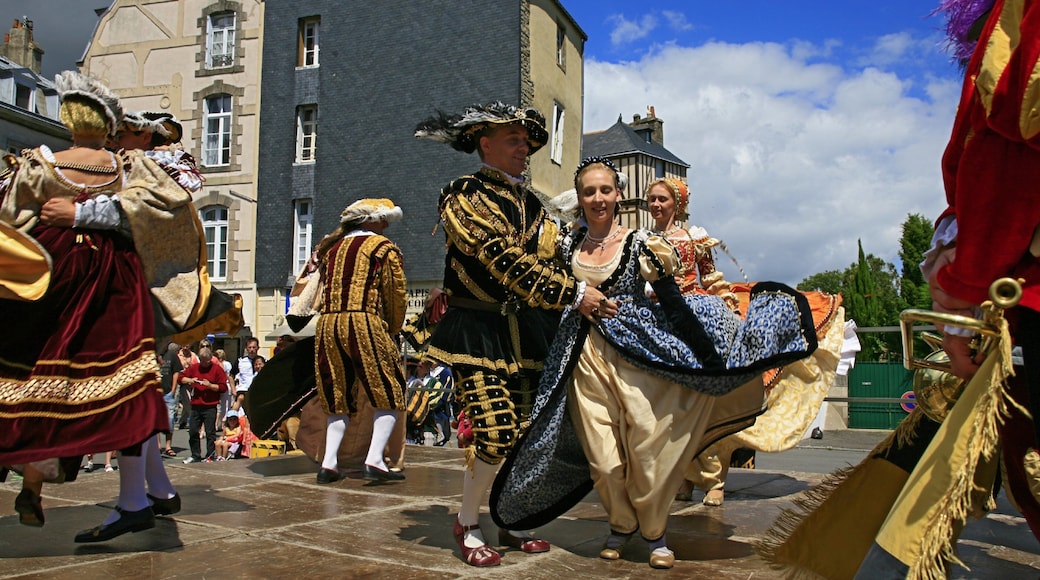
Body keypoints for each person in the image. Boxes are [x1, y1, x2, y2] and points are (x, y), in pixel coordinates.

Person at [489, 157, 818, 569]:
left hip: (637, 356)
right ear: (581, 198)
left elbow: (674, 304)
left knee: (647, 448)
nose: (598, 198)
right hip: (581, 358)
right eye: (589, 192)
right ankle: (621, 524)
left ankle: (654, 533)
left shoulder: (643, 243)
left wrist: (710, 360)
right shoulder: (566, 246)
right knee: (604, 462)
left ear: (618, 195)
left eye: (605, 190)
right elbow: (544, 296)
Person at [415, 102, 616, 567]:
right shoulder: (462, 195)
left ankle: (508, 515)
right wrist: (574, 293)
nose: (525, 148)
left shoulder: (534, 206)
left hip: (527, 334)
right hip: (478, 331)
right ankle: (467, 522)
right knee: (495, 430)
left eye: (527, 141)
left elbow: (561, 256)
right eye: (514, 140)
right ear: (485, 144)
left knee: (524, 435)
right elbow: (501, 259)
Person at [0, 71, 186, 541]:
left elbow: (11, 219)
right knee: (122, 383)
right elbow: (163, 209)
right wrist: (100, 213)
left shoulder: (41, 164)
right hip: (114, 274)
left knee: (36, 372)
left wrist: (72, 214)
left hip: (53, 270)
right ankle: (132, 498)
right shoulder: (127, 168)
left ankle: (41, 480)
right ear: (110, 124)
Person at [645, 177, 854, 508]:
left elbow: (711, 279)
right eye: (652, 199)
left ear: (677, 204)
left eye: (662, 199)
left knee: (710, 400)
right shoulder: (643, 240)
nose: (656, 205)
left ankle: (714, 479)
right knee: (673, 408)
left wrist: (727, 306)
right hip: (660, 322)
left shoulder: (694, 238)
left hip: (697, 318)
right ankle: (685, 475)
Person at [312, 198, 408, 484]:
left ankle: (329, 463)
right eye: (382, 220)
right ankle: (375, 459)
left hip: (328, 324)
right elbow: (395, 294)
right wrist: (392, 328)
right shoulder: (383, 248)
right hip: (363, 321)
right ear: (368, 220)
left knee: (337, 394)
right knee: (390, 389)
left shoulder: (332, 249)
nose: (386, 226)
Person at [179, 347, 229, 463]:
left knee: (210, 433)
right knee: (193, 431)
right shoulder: (195, 367)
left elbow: (223, 387)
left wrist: (210, 385)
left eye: (206, 361)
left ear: (210, 359)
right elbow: (181, 378)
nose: (203, 363)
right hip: (196, 405)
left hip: (210, 405)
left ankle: (210, 455)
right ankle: (195, 455)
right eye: (201, 360)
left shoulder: (217, 369)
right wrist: (191, 380)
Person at [158, 342, 183, 457]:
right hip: (156, 393)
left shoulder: (172, 355)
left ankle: (168, 446)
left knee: (170, 419)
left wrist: (173, 389)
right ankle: (158, 446)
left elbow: (176, 372)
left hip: (168, 392)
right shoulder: (153, 355)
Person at [234, 337, 260, 412]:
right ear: (246, 348)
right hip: (243, 389)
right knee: (240, 399)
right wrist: (233, 390)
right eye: (250, 347)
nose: (252, 349)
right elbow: (231, 376)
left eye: (254, 347)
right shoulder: (240, 361)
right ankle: (231, 417)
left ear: (258, 348)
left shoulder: (263, 361)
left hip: (257, 390)